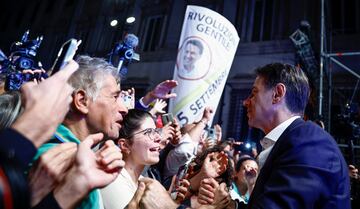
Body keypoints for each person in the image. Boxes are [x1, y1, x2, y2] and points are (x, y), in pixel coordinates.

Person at [241, 63, 350, 208]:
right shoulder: (292, 141)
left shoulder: (309, 143)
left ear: (277, 94)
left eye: (254, 93)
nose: (245, 102)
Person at [32, 55, 128, 209]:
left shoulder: (78, 157)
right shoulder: (59, 162)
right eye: (115, 97)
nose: (124, 109)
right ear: (82, 101)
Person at [101, 109, 162, 209]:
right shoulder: (113, 182)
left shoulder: (143, 181)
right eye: (148, 132)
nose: (158, 137)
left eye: (155, 131)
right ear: (124, 145)